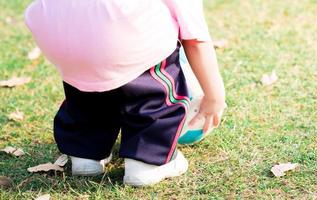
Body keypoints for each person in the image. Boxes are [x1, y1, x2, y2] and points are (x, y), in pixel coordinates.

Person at [24, 0, 226, 186]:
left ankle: (85, 153)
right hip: (126, 37)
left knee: (88, 85)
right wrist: (214, 96)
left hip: (58, 31)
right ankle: (147, 162)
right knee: (152, 88)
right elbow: (195, 39)